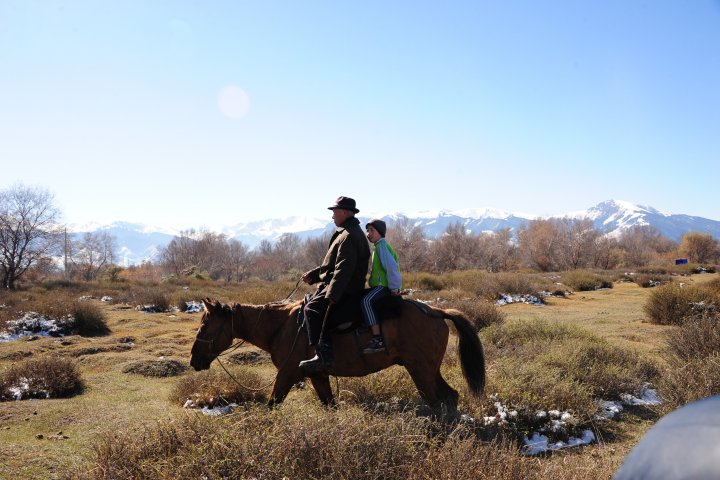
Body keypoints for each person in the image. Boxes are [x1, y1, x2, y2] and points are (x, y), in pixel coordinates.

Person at [298, 196, 371, 373]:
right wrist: (314, 275)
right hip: (340, 285)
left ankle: (323, 356)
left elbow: (343, 269)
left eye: (335, 212)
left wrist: (332, 295)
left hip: (346, 288)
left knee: (312, 309)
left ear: (345, 213)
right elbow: (332, 265)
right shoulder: (346, 233)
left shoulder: (349, 236)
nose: (332, 217)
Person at [361, 219, 402, 354]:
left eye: (372, 230)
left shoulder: (382, 246)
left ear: (380, 232)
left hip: (383, 286)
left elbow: (391, 268)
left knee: (366, 301)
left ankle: (377, 338)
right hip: (379, 286)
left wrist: (395, 288)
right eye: (367, 230)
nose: (369, 233)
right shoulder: (378, 247)